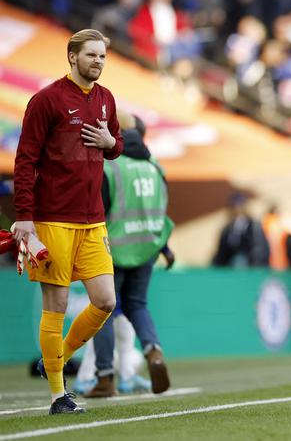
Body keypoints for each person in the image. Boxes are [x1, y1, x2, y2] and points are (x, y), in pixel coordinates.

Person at [12, 29, 123, 414]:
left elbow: (115, 145)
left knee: (105, 300)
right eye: (91, 55)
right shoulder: (46, 100)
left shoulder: (106, 99)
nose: (98, 61)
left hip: (93, 219)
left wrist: (112, 145)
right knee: (56, 305)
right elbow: (25, 160)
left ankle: (54, 356)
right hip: (53, 218)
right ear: (72, 57)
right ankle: (59, 396)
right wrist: (24, 218)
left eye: (103, 56)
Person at [86, 115, 175, 397]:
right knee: (138, 305)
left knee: (103, 312)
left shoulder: (109, 165)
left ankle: (105, 378)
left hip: (113, 248)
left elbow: (97, 210)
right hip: (148, 245)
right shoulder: (154, 165)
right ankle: (153, 351)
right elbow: (161, 209)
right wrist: (164, 247)